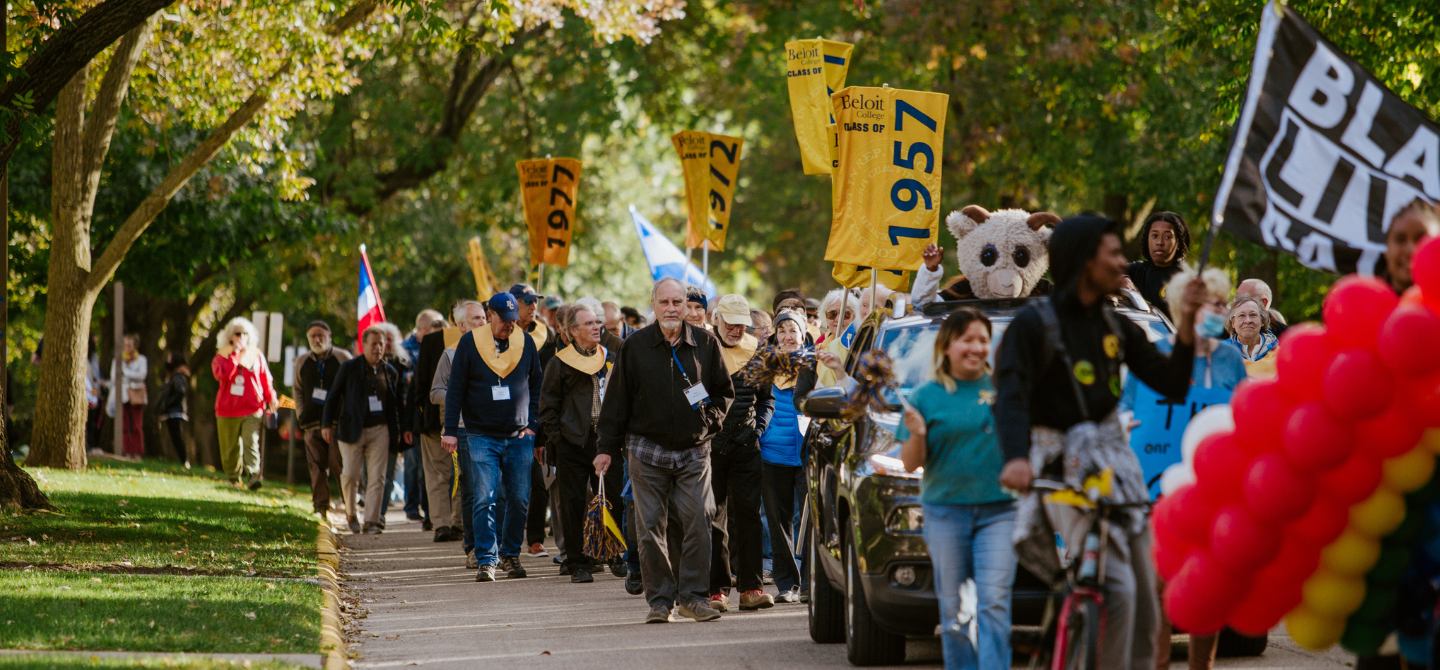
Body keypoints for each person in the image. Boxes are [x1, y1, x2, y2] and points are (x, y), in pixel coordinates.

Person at [994, 214, 1205, 670]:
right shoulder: (1031, 326)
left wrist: (1185, 325)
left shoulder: (1115, 324)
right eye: (1112, 254)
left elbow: (1171, 381)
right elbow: (1009, 399)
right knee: (1120, 590)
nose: (1122, 265)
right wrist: (1016, 459)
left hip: (1115, 469)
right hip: (1057, 468)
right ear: (1085, 262)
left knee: (1148, 599)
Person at [595, 277, 736, 624]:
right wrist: (605, 448)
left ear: (688, 306)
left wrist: (710, 423)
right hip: (646, 451)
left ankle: (692, 597)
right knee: (650, 529)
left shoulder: (705, 342)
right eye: (665, 303)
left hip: (694, 451)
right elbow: (616, 402)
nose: (672, 309)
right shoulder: (635, 345)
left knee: (699, 520)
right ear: (654, 306)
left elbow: (723, 392)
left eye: (678, 302)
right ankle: (660, 602)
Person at [1126, 268, 1248, 670]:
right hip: (1157, 487)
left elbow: (1245, 414)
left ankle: (1201, 666)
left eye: (1221, 303)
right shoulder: (1155, 352)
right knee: (1159, 582)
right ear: (1186, 307)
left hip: (1212, 489)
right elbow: (1126, 405)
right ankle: (1159, 662)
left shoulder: (1230, 357)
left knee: (1206, 585)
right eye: (1210, 303)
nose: (1219, 310)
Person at [894, 308, 1014, 670]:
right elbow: (911, 464)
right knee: (957, 610)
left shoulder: (1005, 388)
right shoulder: (925, 396)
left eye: (983, 339)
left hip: (1001, 511)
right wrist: (917, 433)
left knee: (993, 602)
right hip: (946, 513)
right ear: (948, 346)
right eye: (968, 340)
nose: (977, 347)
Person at [441, 292, 544, 582]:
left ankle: (511, 554)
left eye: (514, 319)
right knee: (484, 498)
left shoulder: (525, 343)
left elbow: (537, 385)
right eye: (505, 320)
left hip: (518, 435)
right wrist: (450, 430)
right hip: (481, 434)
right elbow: (456, 390)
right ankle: (487, 559)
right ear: (490, 316)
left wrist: (533, 425)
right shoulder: (470, 343)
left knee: (520, 499)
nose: (511, 325)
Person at [539, 305, 624, 583]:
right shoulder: (559, 363)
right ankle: (577, 562)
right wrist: (559, 440)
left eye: (597, 322)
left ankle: (613, 554)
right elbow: (547, 407)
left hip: (605, 443)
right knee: (573, 503)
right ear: (572, 331)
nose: (596, 326)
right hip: (573, 443)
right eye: (589, 323)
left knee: (610, 500)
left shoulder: (610, 356)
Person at [706, 294, 775, 612]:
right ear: (716, 319)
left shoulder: (758, 351)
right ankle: (716, 590)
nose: (736, 330)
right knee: (713, 518)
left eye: (741, 325)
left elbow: (767, 399)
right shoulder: (702, 349)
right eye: (730, 324)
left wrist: (759, 429)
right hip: (711, 447)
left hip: (747, 446)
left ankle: (751, 588)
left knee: (749, 516)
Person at [324, 326, 407, 534]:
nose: (379, 348)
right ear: (364, 345)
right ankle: (351, 514)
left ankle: (372, 521)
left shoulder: (390, 371)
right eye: (374, 344)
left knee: (377, 476)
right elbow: (333, 396)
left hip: (381, 429)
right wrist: (327, 424)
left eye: (382, 344)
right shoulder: (350, 367)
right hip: (352, 428)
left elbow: (395, 406)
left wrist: (399, 433)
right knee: (350, 474)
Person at [758, 311, 811, 603]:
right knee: (778, 522)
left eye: (793, 330)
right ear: (775, 336)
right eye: (782, 331)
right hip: (771, 453)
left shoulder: (813, 364)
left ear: (803, 334)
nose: (788, 336)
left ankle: (809, 583)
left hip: (805, 454)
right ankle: (787, 584)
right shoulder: (764, 366)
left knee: (810, 520)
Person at [432, 301, 487, 567]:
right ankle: (473, 548)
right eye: (477, 318)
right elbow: (435, 393)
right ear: (462, 325)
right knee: (471, 490)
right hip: (465, 431)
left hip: (495, 429)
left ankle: (494, 546)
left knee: (495, 491)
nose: (483, 322)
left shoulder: (499, 350)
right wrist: (460, 396)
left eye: (485, 317)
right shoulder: (451, 354)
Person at [295, 320, 353, 522]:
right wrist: (301, 414)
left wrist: (346, 416)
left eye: (321, 335)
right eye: (313, 336)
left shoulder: (343, 357)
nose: (317, 339)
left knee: (339, 464)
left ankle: (349, 506)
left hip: (337, 424)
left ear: (329, 336)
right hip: (310, 423)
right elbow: (298, 390)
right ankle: (320, 507)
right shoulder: (302, 361)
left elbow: (351, 390)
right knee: (316, 466)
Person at [412, 316, 462, 542]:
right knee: (442, 474)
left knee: (456, 474)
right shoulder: (433, 341)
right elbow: (420, 384)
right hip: (436, 419)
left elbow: (419, 385)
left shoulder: (487, 342)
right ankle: (447, 524)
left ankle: (451, 523)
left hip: (465, 422)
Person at [212, 318, 278, 489]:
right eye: (237, 333)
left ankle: (253, 475)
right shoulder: (221, 356)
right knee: (230, 449)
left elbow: (265, 379)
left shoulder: (256, 355)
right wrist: (234, 354)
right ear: (230, 336)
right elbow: (222, 375)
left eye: (245, 333)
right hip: (227, 410)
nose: (241, 337)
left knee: (251, 442)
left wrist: (271, 396)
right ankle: (234, 478)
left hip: (252, 408)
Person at [377, 322, 420, 525]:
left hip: (396, 424)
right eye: (380, 340)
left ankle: (380, 515)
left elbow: (408, 400)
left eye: (389, 340)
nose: (384, 344)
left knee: (388, 474)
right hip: (372, 424)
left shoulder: (404, 365)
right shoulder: (363, 365)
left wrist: (406, 427)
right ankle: (372, 512)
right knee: (372, 474)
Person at [1122, 211, 1191, 318]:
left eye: (1168, 237)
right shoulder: (1136, 271)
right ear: (1147, 240)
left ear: (1178, 242)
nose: (1159, 242)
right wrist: (1123, 278)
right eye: (1154, 236)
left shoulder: (1188, 279)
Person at [1384, 199, 1440, 294]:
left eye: (1421, 239)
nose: (1411, 250)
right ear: (1386, 249)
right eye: (1400, 239)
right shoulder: (1365, 301)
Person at [109, 334, 149, 458]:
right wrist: (130, 375)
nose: (127, 347)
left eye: (129, 345)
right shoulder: (118, 360)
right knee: (124, 425)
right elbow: (114, 376)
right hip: (122, 394)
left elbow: (141, 375)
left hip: (136, 394)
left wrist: (125, 373)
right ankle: (126, 451)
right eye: (125, 345)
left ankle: (137, 452)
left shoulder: (141, 360)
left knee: (137, 425)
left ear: (135, 347)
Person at [1224, 297, 1279, 378]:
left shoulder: (1280, 354)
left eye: (1253, 315)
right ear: (1233, 323)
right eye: (1241, 315)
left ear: (1262, 321)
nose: (1248, 321)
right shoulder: (1221, 352)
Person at [155, 352, 193, 466]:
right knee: (175, 437)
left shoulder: (177, 376)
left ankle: (184, 461)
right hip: (173, 412)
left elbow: (180, 392)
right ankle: (182, 460)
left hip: (175, 412)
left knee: (177, 437)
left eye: (170, 360)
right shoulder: (173, 376)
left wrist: (168, 404)